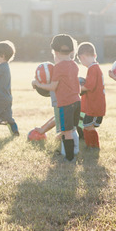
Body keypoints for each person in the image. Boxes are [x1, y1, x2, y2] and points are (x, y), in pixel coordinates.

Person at [32, 34, 81, 162]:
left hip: (65, 103)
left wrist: (38, 84)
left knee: (66, 131)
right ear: (71, 51)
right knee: (72, 129)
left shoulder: (58, 67)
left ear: (55, 52)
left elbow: (53, 87)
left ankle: (69, 157)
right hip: (76, 101)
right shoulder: (74, 65)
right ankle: (75, 151)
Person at [77, 42, 106, 149]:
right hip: (93, 104)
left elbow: (89, 86)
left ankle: (94, 146)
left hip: (95, 105)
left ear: (82, 57)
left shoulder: (93, 69)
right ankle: (89, 146)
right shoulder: (95, 67)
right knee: (86, 125)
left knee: (89, 126)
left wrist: (75, 89)